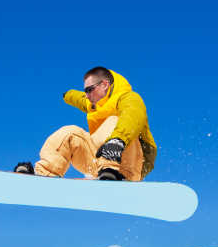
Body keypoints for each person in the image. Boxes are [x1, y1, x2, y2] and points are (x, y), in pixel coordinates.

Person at [13, 67, 156, 181]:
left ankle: (111, 169)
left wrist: (117, 141)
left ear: (105, 85)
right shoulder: (92, 104)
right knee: (70, 132)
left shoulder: (128, 98)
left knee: (113, 121)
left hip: (129, 164)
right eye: (85, 91)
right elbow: (79, 99)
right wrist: (67, 95)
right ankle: (45, 173)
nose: (87, 95)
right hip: (98, 164)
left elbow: (133, 116)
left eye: (89, 90)